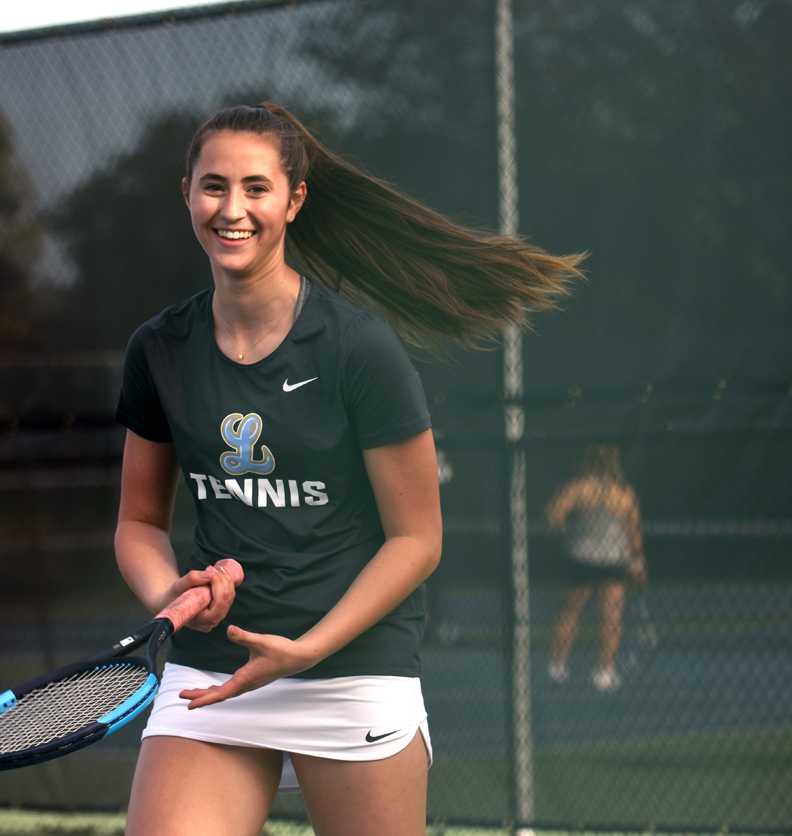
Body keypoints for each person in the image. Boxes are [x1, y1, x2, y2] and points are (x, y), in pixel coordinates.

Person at [114, 102, 585, 835]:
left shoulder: (358, 348)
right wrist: (168, 593)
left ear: (294, 200)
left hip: (349, 668)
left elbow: (417, 540)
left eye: (255, 188)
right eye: (213, 186)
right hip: (211, 675)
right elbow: (139, 523)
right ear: (186, 193)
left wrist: (308, 648)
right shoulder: (159, 349)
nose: (231, 209)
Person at [546, 444, 647, 692]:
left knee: (571, 611)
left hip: (582, 558)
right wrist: (637, 561)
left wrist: (569, 533)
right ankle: (604, 671)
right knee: (610, 616)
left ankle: (557, 665)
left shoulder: (579, 489)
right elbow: (634, 533)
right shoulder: (622, 494)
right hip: (612, 561)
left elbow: (553, 515)